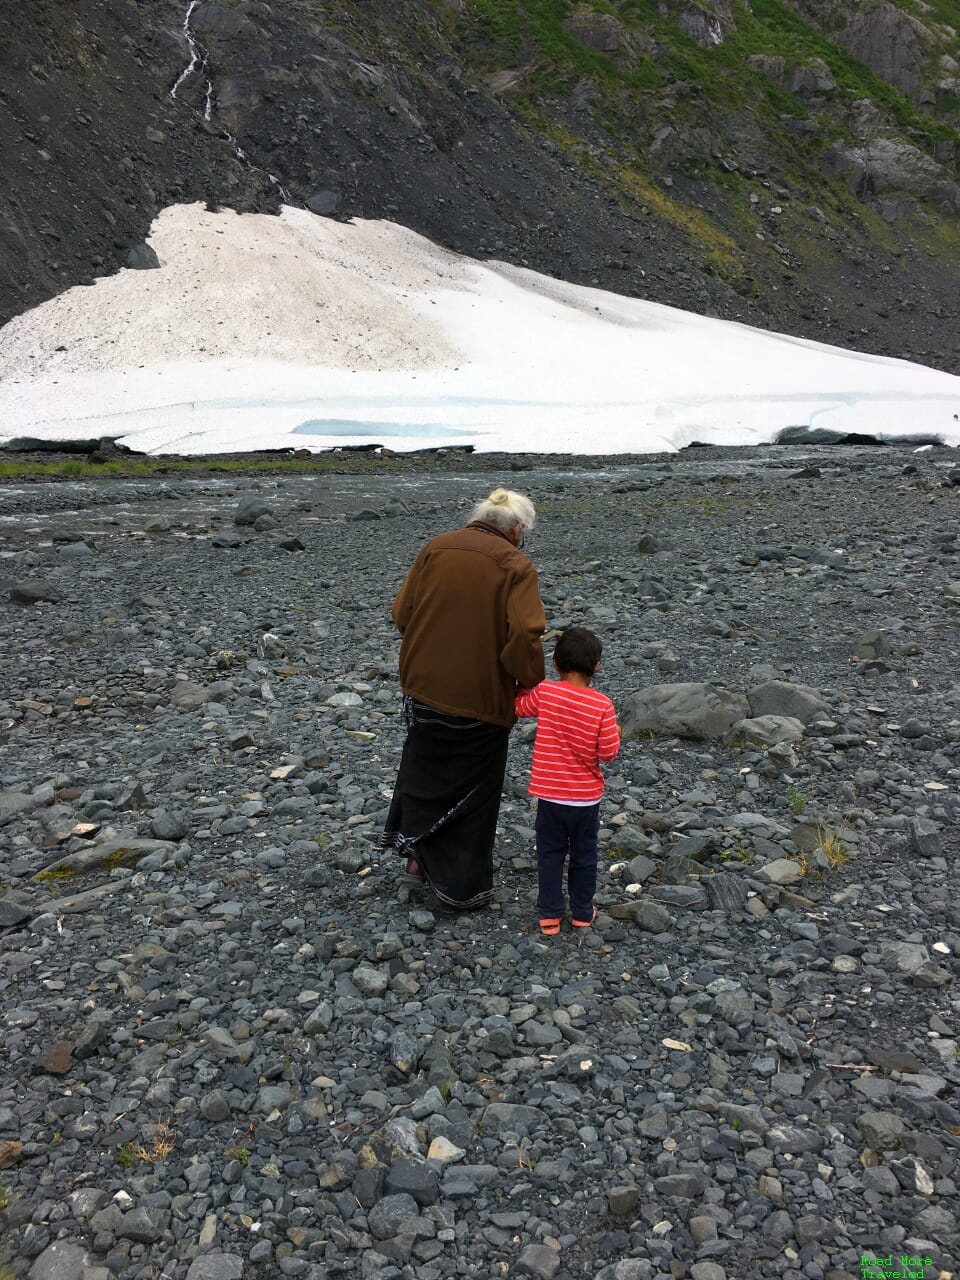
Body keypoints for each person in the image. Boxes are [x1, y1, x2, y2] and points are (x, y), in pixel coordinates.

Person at [381, 488, 546, 912]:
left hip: (422, 687)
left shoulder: (436, 547)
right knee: (474, 789)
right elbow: (523, 636)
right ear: (517, 529)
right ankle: (458, 889)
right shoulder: (514, 564)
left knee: (425, 771)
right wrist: (531, 680)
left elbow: (402, 614)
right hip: (479, 699)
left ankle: (417, 862)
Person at [514, 626, 620, 937]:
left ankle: (549, 915)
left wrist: (520, 687)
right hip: (586, 799)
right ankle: (583, 913)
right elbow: (609, 753)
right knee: (585, 855)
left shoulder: (546, 692)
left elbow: (519, 708)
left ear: (556, 664)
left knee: (549, 854)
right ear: (596, 666)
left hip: (550, 796)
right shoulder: (602, 705)